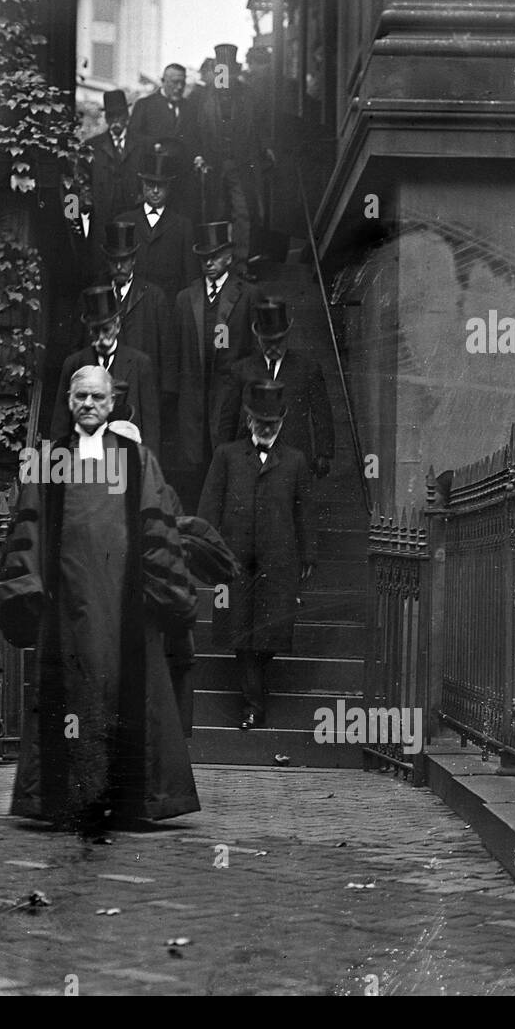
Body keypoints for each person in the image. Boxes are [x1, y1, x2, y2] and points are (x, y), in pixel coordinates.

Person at [0, 364, 200, 838]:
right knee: (73, 697)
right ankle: (66, 802)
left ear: (112, 404)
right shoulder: (49, 459)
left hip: (125, 605)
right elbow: (30, 527)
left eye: (98, 398)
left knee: (122, 695)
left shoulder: (134, 457)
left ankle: (125, 803)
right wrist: (29, 587)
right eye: (81, 396)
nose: (88, 405)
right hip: (66, 605)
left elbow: (154, 524)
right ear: (69, 400)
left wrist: (162, 590)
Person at [199, 380, 317, 731]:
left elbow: (305, 510)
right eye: (260, 423)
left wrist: (309, 553)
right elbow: (210, 504)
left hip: (278, 558)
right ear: (249, 421)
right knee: (240, 628)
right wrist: (207, 548)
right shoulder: (227, 455)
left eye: (273, 424)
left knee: (271, 631)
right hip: (235, 558)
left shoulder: (295, 460)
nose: (266, 429)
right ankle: (254, 705)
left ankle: (254, 686)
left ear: (282, 423)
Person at [163, 220, 256, 511]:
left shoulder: (247, 295)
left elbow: (253, 354)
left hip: (228, 399)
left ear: (228, 257)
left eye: (214, 256)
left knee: (226, 465)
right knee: (193, 468)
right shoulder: (184, 297)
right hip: (192, 401)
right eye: (203, 257)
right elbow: (173, 353)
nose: (208, 263)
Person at [217, 298, 335, 477]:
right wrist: (223, 453)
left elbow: (322, 412)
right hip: (251, 454)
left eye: (278, 340)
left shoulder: (307, 367)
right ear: (258, 339)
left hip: (294, 452)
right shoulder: (242, 370)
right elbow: (229, 416)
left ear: (287, 335)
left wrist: (323, 453)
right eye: (267, 341)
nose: (273, 346)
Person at [51, 286, 160, 453]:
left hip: (125, 457)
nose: (101, 338)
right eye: (95, 331)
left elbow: (150, 425)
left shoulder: (140, 363)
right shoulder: (74, 364)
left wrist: (147, 466)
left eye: (106, 330)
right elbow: (61, 423)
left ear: (117, 326)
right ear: (88, 330)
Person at [194, 43, 273, 262]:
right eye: (219, 72)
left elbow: (261, 126)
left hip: (241, 164)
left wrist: (265, 149)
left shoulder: (249, 96)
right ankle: (215, 263)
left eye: (226, 73)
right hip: (213, 165)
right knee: (215, 215)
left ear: (235, 73)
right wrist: (200, 155)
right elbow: (195, 131)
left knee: (244, 213)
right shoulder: (203, 98)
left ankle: (240, 266)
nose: (222, 77)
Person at [114, 150, 198, 309]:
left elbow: (190, 276)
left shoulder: (182, 225)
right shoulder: (124, 221)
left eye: (161, 185)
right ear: (142, 185)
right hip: (130, 308)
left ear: (169, 187)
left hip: (168, 308)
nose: (155, 190)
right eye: (150, 184)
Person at [128, 63, 202, 221]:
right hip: (155, 177)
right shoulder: (145, 105)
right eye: (175, 82)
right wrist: (154, 145)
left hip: (182, 180)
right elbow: (133, 137)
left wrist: (198, 156)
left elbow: (196, 138)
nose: (180, 87)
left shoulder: (190, 108)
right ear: (163, 81)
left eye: (183, 83)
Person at [100, 220, 171, 378]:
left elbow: (166, 351)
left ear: (133, 260)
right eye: (114, 261)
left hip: (142, 383)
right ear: (107, 261)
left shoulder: (154, 297)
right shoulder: (94, 294)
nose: (119, 267)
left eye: (124, 260)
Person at [85, 89, 141, 243]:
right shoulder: (92, 146)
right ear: (106, 118)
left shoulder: (141, 145)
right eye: (111, 115)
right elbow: (82, 183)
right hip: (103, 218)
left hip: (133, 216)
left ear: (127, 116)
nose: (116, 120)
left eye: (120, 115)